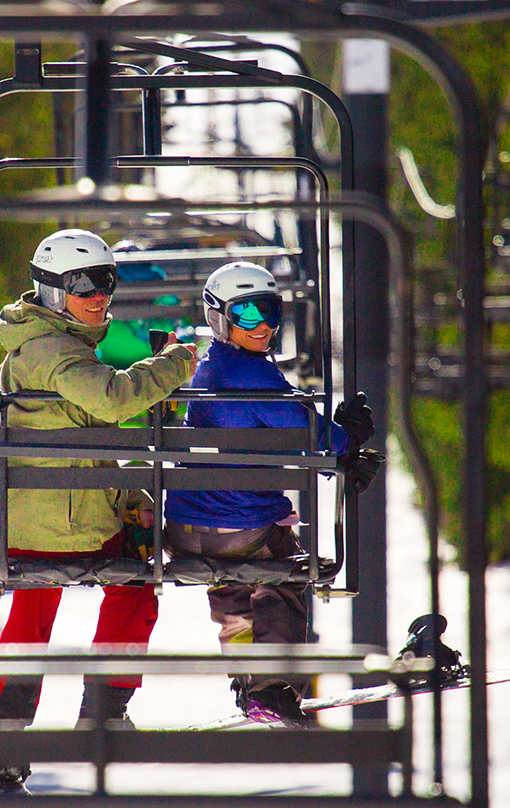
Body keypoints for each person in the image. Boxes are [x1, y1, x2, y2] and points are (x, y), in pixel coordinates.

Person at [0, 228, 199, 743]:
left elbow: (81, 447)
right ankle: (103, 708)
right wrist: (176, 363)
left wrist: (129, 498)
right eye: (85, 285)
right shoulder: (56, 354)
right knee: (136, 584)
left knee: (34, 607)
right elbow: (114, 400)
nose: (100, 298)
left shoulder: (40, 347)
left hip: (21, 523)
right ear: (54, 291)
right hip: (64, 526)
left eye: (106, 284)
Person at [160, 261, 384, 723]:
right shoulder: (254, 375)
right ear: (220, 319)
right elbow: (302, 430)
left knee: (232, 594)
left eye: (269, 311)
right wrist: (345, 442)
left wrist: (337, 441)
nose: (262, 326)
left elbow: (294, 427)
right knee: (284, 577)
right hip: (240, 529)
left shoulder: (210, 368)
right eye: (246, 315)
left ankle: (247, 680)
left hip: (185, 529)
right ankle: (271, 685)